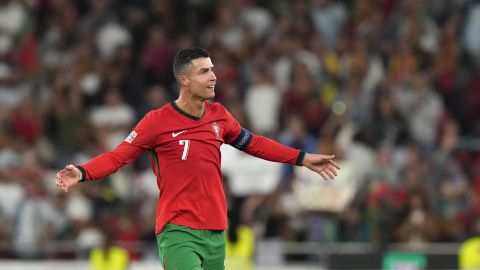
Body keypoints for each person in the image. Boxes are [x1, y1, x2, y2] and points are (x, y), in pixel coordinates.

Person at [56, 47, 341, 270]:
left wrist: (301, 158)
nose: (213, 76)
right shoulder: (156, 121)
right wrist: (82, 172)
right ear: (184, 79)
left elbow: (253, 143)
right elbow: (119, 156)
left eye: (212, 70)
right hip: (178, 229)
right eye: (204, 71)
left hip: (216, 230)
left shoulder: (219, 115)